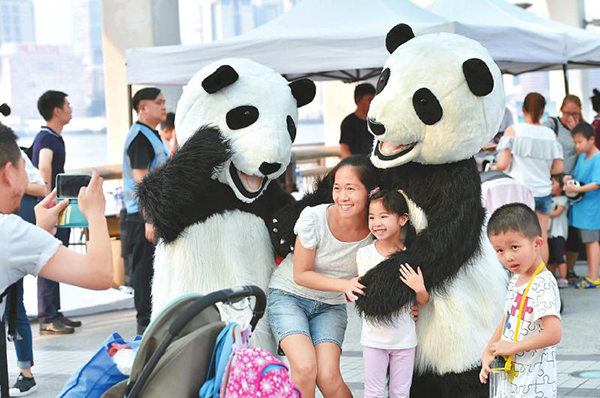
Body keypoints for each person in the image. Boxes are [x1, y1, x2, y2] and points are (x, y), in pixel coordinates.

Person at [0, 124, 112, 395]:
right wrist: (95, 213)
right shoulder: (10, 232)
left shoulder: (13, 237)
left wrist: (36, 232)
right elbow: (100, 275)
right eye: (24, 168)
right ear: (9, 173)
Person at [267, 155, 378, 398]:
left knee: (328, 377)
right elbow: (301, 274)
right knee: (305, 368)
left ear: (371, 192)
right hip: (289, 296)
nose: (342, 197)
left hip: (329, 305)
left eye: (351, 189)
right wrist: (344, 284)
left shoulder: (376, 229)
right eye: (337, 188)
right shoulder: (314, 218)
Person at [480, 203, 562, 398]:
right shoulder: (517, 278)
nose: (508, 257)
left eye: (514, 247)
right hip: (511, 374)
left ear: (537, 243)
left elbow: (554, 333)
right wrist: (487, 351)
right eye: (499, 250)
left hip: (534, 381)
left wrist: (513, 347)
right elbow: (508, 318)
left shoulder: (543, 283)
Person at [356, 189, 428, 398]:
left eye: (384, 216)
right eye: (372, 217)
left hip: (405, 340)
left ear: (403, 219)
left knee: (401, 393)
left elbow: (422, 300)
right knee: (374, 393)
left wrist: (419, 288)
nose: (376, 223)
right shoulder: (365, 254)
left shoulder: (412, 256)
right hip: (373, 340)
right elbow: (369, 296)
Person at [492, 92, 564, 264]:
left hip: (521, 192)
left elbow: (502, 165)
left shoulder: (514, 131)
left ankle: (521, 282)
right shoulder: (550, 135)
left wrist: (492, 167)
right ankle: (539, 281)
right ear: (543, 111)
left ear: (523, 109)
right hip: (544, 192)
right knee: (541, 238)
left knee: (517, 240)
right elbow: (559, 168)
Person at [31, 90, 82, 335]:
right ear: (56, 111)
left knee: (57, 258)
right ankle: (47, 318)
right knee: (49, 261)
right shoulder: (46, 138)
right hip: (51, 209)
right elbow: (43, 166)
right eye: (68, 105)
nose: (70, 109)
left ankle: (56, 312)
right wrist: (49, 200)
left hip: (58, 208)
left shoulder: (54, 137)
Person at [122, 87, 168, 335]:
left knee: (153, 270)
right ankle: (144, 324)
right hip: (141, 217)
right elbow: (141, 181)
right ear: (143, 107)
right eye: (158, 102)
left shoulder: (152, 134)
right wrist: (149, 218)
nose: (164, 106)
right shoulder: (140, 137)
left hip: (150, 215)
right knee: (143, 273)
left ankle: (154, 320)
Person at [3, 151, 46, 396]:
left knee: (14, 305)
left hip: (9, 235)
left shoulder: (12, 151)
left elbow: (42, 187)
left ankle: (25, 373)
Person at [544, 94, 584, 282]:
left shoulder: (583, 128)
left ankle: (570, 269)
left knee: (574, 229)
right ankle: (551, 270)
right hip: (554, 183)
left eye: (574, 112)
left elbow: (585, 150)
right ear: (561, 110)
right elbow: (543, 138)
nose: (570, 115)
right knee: (554, 230)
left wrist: (576, 130)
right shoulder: (553, 124)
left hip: (575, 183)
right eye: (567, 112)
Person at [564, 122, 600, 289]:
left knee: (591, 241)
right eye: (575, 142)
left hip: (591, 208)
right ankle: (591, 275)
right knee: (587, 241)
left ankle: (593, 277)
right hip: (581, 208)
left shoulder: (597, 158)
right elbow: (578, 177)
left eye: (580, 142)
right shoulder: (582, 158)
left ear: (591, 139)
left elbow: (597, 183)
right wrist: (568, 180)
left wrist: (578, 188)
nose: (577, 146)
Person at [339, 83, 376, 158]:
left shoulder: (376, 121)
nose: (373, 104)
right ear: (358, 101)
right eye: (370, 100)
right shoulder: (349, 122)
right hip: (359, 165)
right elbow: (344, 149)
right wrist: (353, 166)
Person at [548, 174, 569, 289]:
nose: (550, 186)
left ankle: (563, 278)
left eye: (553, 183)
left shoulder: (563, 199)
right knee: (551, 257)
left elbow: (557, 213)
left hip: (559, 232)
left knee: (559, 255)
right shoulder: (549, 198)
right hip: (549, 233)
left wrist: (543, 214)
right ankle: (552, 277)